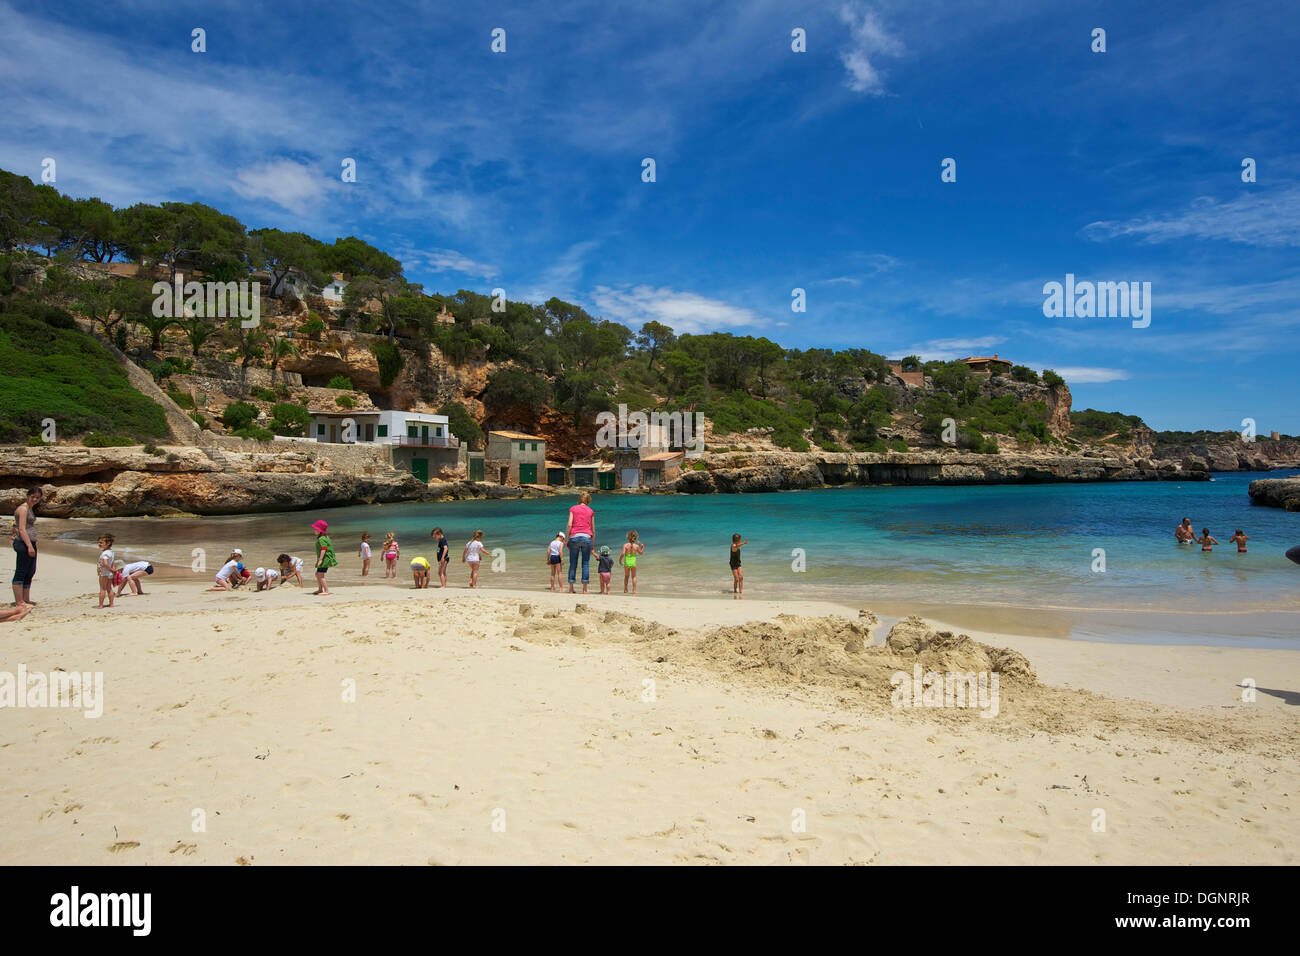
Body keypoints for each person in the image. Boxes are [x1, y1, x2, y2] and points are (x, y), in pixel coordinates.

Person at [12, 486, 41, 608]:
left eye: (37, 498)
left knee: (30, 571)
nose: (34, 499)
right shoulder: (23, 509)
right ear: (28, 496)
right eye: (32, 497)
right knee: (21, 571)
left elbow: (15, 524)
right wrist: (29, 546)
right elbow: (22, 529)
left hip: (29, 543)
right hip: (24, 543)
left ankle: (26, 599)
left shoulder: (29, 508)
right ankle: (19, 602)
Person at [565, 491, 596, 594]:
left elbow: (569, 525)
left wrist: (567, 540)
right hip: (587, 537)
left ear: (579, 499)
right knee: (585, 563)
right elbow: (593, 529)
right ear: (588, 500)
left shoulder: (573, 509)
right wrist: (592, 545)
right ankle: (584, 590)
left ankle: (571, 588)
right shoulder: (591, 511)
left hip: (574, 537)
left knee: (573, 563)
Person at [313, 519, 337, 595]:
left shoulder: (321, 539)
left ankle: (326, 591)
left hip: (324, 559)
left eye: (315, 529)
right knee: (317, 574)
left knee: (320, 575)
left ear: (320, 531)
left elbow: (324, 549)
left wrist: (320, 560)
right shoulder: (326, 537)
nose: (314, 530)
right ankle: (320, 589)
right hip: (324, 558)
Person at [620, 530, 645, 595]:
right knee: (634, 576)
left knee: (626, 576)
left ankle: (625, 589)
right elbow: (641, 553)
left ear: (628, 537)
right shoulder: (636, 546)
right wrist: (642, 547)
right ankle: (634, 590)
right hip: (633, 562)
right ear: (636, 538)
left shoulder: (625, 545)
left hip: (627, 562)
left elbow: (622, 554)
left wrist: (620, 560)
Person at [96, 534, 116, 608]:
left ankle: (101, 605)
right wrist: (113, 570)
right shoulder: (111, 552)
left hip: (104, 573)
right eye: (99, 542)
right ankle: (111, 604)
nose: (99, 544)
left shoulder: (105, 553)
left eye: (101, 543)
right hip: (109, 573)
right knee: (109, 588)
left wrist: (110, 569)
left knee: (102, 589)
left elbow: (105, 564)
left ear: (108, 543)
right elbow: (112, 562)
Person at [730, 533, 749, 599]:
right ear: (736, 540)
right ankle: (735, 591)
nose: (740, 540)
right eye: (739, 539)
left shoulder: (737, 545)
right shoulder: (733, 545)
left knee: (741, 577)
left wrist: (742, 543)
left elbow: (738, 545)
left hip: (738, 563)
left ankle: (740, 592)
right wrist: (744, 543)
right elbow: (736, 546)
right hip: (733, 564)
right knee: (736, 579)